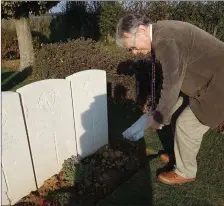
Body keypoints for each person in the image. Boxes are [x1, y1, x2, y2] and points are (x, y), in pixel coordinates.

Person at [115, 14, 224, 185]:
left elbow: (171, 83)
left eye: (133, 47)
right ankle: (180, 155)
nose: (134, 53)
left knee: (185, 124)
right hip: (208, 81)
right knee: (173, 112)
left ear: (142, 30)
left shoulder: (165, 40)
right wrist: (163, 111)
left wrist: (159, 117)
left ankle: (185, 171)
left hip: (217, 86)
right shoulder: (162, 31)